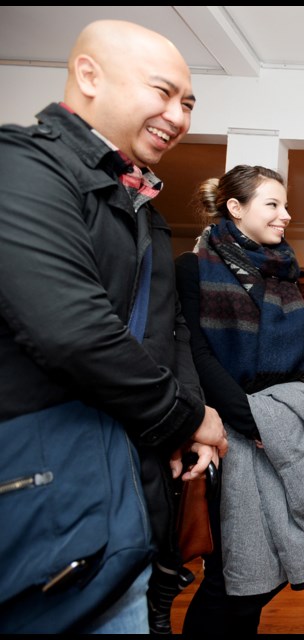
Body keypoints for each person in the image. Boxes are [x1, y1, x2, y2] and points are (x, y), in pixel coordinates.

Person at [0, 19, 228, 634]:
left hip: (127, 495)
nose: (178, 116)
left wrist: (189, 422)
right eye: (163, 92)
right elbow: (74, 332)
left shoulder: (143, 209)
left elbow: (170, 330)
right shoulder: (21, 166)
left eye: (187, 103)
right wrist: (190, 418)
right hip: (46, 502)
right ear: (88, 76)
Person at [174, 164, 304, 632]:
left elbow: (300, 363)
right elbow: (196, 352)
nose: (286, 215)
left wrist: (288, 423)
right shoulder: (193, 268)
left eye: (286, 205)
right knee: (233, 577)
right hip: (225, 434)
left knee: (269, 570)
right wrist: (255, 422)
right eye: (273, 204)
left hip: (276, 434)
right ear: (235, 208)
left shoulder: (284, 272)